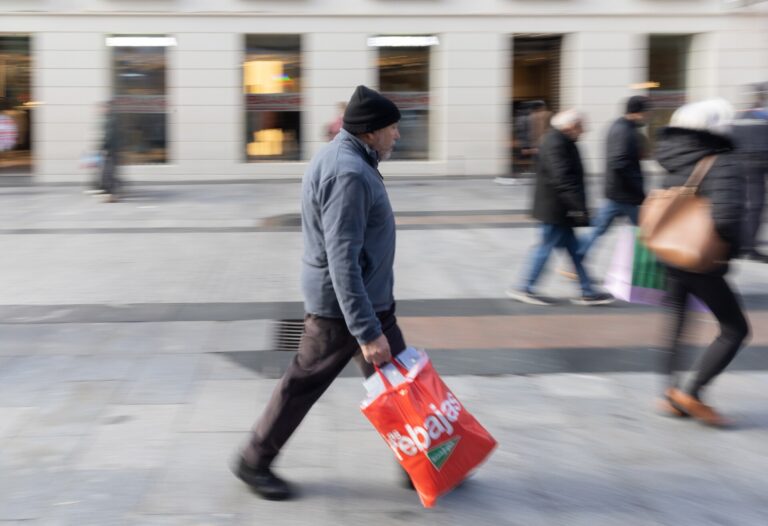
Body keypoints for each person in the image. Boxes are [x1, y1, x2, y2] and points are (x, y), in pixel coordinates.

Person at [234, 85, 406, 500]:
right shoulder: (348, 172)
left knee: (400, 383)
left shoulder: (348, 156)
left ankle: (424, 456)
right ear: (369, 132)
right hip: (344, 310)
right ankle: (254, 460)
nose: (397, 136)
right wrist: (366, 331)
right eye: (391, 129)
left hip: (366, 301)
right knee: (304, 384)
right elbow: (341, 259)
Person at [654, 98, 750, 428]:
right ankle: (692, 394)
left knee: (678, 321)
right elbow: (726, 217)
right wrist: (733, 249)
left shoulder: (671, 155)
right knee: (735, 329)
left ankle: (669, 391)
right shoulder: (722, 162)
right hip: (701, 257)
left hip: (669, 251)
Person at [505, 109, 614, 306]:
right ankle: (525, 287)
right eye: (581, 127)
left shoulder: (562, 140)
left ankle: (587, 291)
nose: (584, 131)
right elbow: (562, 179)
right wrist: (579, 208)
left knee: (573, 250)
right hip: (555, 209)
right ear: (571, 126)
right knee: (545, 248)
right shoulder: (556, 142)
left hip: (560, 209)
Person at [578, 95, 650, 261]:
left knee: (598, 229)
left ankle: (577, 259)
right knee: (647, 229)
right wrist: (637, 188)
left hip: (617, 193)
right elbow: (619, 163)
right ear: (637, 112)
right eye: (646, 112)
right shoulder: (624, 131)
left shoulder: (620, 127)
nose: (648, 115)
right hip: (625, 195)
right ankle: (657, 269)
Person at [732, 87, 768, 262]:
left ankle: (740, 246)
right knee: (755, 206)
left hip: (739, 164)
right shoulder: (764, 117)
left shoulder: (737, 118)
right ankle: (750, 247)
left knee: (742, 206)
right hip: (758, 165)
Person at [98, 100, 121, 202]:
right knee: (109, 173)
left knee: (108, 173)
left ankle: (112, 195)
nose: (102, 110)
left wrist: (105, 148)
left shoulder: (111, 120)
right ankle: (111, 194)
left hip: (111, 151)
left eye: (103, 108)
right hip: (113, 150)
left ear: (108, 108)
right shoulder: (111, 119)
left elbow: (109, 136)